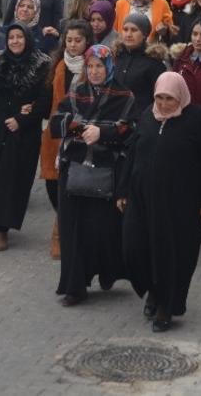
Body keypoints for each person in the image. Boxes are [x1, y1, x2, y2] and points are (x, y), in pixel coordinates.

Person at [119, 72, 201, 332]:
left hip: (179, 203)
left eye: (170, 98)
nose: (164, 104)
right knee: (135, 248)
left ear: (181, 96)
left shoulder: (197, 120)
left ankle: (166, 305)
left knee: (170, 255)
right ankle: (152, 289)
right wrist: (122, 190)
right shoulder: (146, 116)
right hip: (141, 198)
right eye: (160, 97)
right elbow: (132, 154)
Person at [47, 45, 136, 307]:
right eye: (91, 66)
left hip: (108, 170)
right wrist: (83, 130)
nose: (95, 71)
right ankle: (75, 287)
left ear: (109, 67)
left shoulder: (125, 95)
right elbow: (57, 123)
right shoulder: (77, 92)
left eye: (100, 66)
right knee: (72, 229)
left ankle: (108, 271)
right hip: (74, 169)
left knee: (104, 229)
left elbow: (131, 129)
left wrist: (103, 133)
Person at [0, 23, 53, 251]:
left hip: (22, 135)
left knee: (11, 181)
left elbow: (45, 102)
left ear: (27, 39)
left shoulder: (41, 66)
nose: (15, 41)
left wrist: (22, 119)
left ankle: (2, 230)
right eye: (11, 37)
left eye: (19, 37)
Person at [39, 21, 92, 260]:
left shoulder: (93, 67)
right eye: (69, 40)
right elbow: (46, 97)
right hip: (54, 134)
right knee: (52, 183)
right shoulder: (57, 66)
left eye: (77, 40)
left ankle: (60, 233)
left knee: (72, 184)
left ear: (86, 42)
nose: (72, 45)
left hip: (80, 135)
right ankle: (64, 218)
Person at [0, 0, 59, 70]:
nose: (25, 9)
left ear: (36, 11)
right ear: (16, 8)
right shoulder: (2, 31)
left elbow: (51, 65)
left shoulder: (43, 35)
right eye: (21, 5)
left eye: (30, 7)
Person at [112, 13, 168, 115]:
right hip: (114, 119)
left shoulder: (153, 63)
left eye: (134, 30)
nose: (128, 34)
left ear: (144, 35)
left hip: (139, 121)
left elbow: (159, 98)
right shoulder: (115, 57)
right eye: (125, 29)